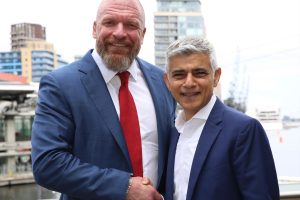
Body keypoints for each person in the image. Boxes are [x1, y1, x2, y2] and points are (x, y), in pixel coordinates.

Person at [31, 0, 176, 199]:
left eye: (131, 25)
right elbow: (48, 164)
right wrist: (124, 187)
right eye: (109, 23)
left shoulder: (163, 82)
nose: (119, 33)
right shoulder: (61, 85)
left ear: (143, 34)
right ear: (94, 29)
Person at [163, 37, 280, 200]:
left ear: (216, 76)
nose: (189, 82)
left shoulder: (244, 130)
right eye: (179, 75)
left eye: (199, 73)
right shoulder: (171, 132)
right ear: (167, 81)